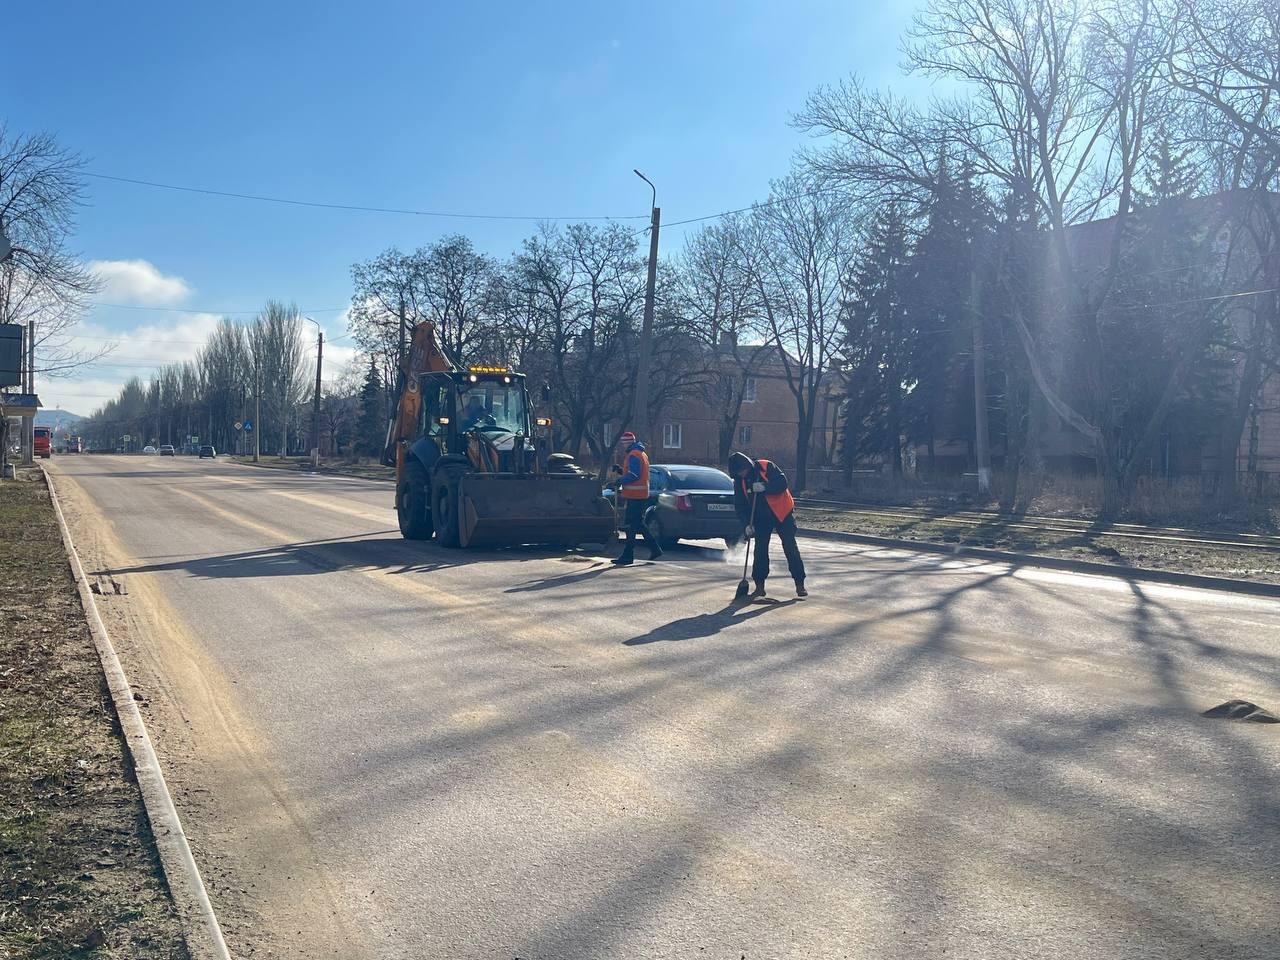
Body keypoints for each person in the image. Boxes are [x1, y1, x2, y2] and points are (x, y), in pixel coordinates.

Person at [728, 451, 806, 598]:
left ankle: (799, 583)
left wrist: (765, 487)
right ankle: (759, 586)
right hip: (760, 517)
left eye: (743, 471)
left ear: (748, 466)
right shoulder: (739, 481)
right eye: (739, 473)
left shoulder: (766, 466)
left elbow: (782, 483)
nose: (742, 474)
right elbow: (740, 506)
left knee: (790, 546)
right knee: (760, 550)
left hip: (783, 513)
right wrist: (746, 525)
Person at [610, 431, 662, 565]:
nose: (622, 446)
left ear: (627, 443)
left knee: (631, 526)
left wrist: (620, 480)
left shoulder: (633, 455)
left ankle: (628, 556)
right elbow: (634, 473)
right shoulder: (640, 453)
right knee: (637, 524)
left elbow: (634, 475)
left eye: (623, 443)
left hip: (635, 496)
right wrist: (621, 471)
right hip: (639, 495)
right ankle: (654, 549)